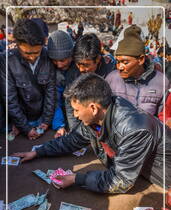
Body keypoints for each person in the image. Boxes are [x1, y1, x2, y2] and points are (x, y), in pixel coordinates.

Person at [13, 73, 171, 194]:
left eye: (76, 110)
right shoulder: (99, 114)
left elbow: (121, 181)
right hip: (141, 172)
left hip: (163, 181)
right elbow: (72, 140)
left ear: (94, 108)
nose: (74, 116)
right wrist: (38, 152)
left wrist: (77, 178)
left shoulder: (135, 130)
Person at [0, 19, 56, 140]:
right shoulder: (7, 61)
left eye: (36, 52)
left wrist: (46, 121)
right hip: (18, 120)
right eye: (26, 53)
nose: (32, 57)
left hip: (41, 117)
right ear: (17, 44)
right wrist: (25, 127)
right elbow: (10, 99)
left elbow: (51, 92)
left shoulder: (48, 56)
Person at [106, 24, 170, 117]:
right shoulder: (111, 79)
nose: (120, 67)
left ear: (141, 59)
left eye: (125, 62)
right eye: (118, 62)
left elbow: (163, 118)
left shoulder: (161, 82)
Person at [64, 33, 115, 130]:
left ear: (98, 59)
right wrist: (75, 131)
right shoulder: (73, 72)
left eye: (86, 65)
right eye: (78, 64)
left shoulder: (111, 72)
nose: (81, 69)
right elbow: (69, 103)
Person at [47, 30, 74, 137]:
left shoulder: (81, 66)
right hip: (61, 113)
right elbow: (55, 100)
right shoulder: (53, 71)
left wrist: (75, 128)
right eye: (54, 60)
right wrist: (59, 126)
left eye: (63, 60)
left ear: (72, 55)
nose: (59, 65)